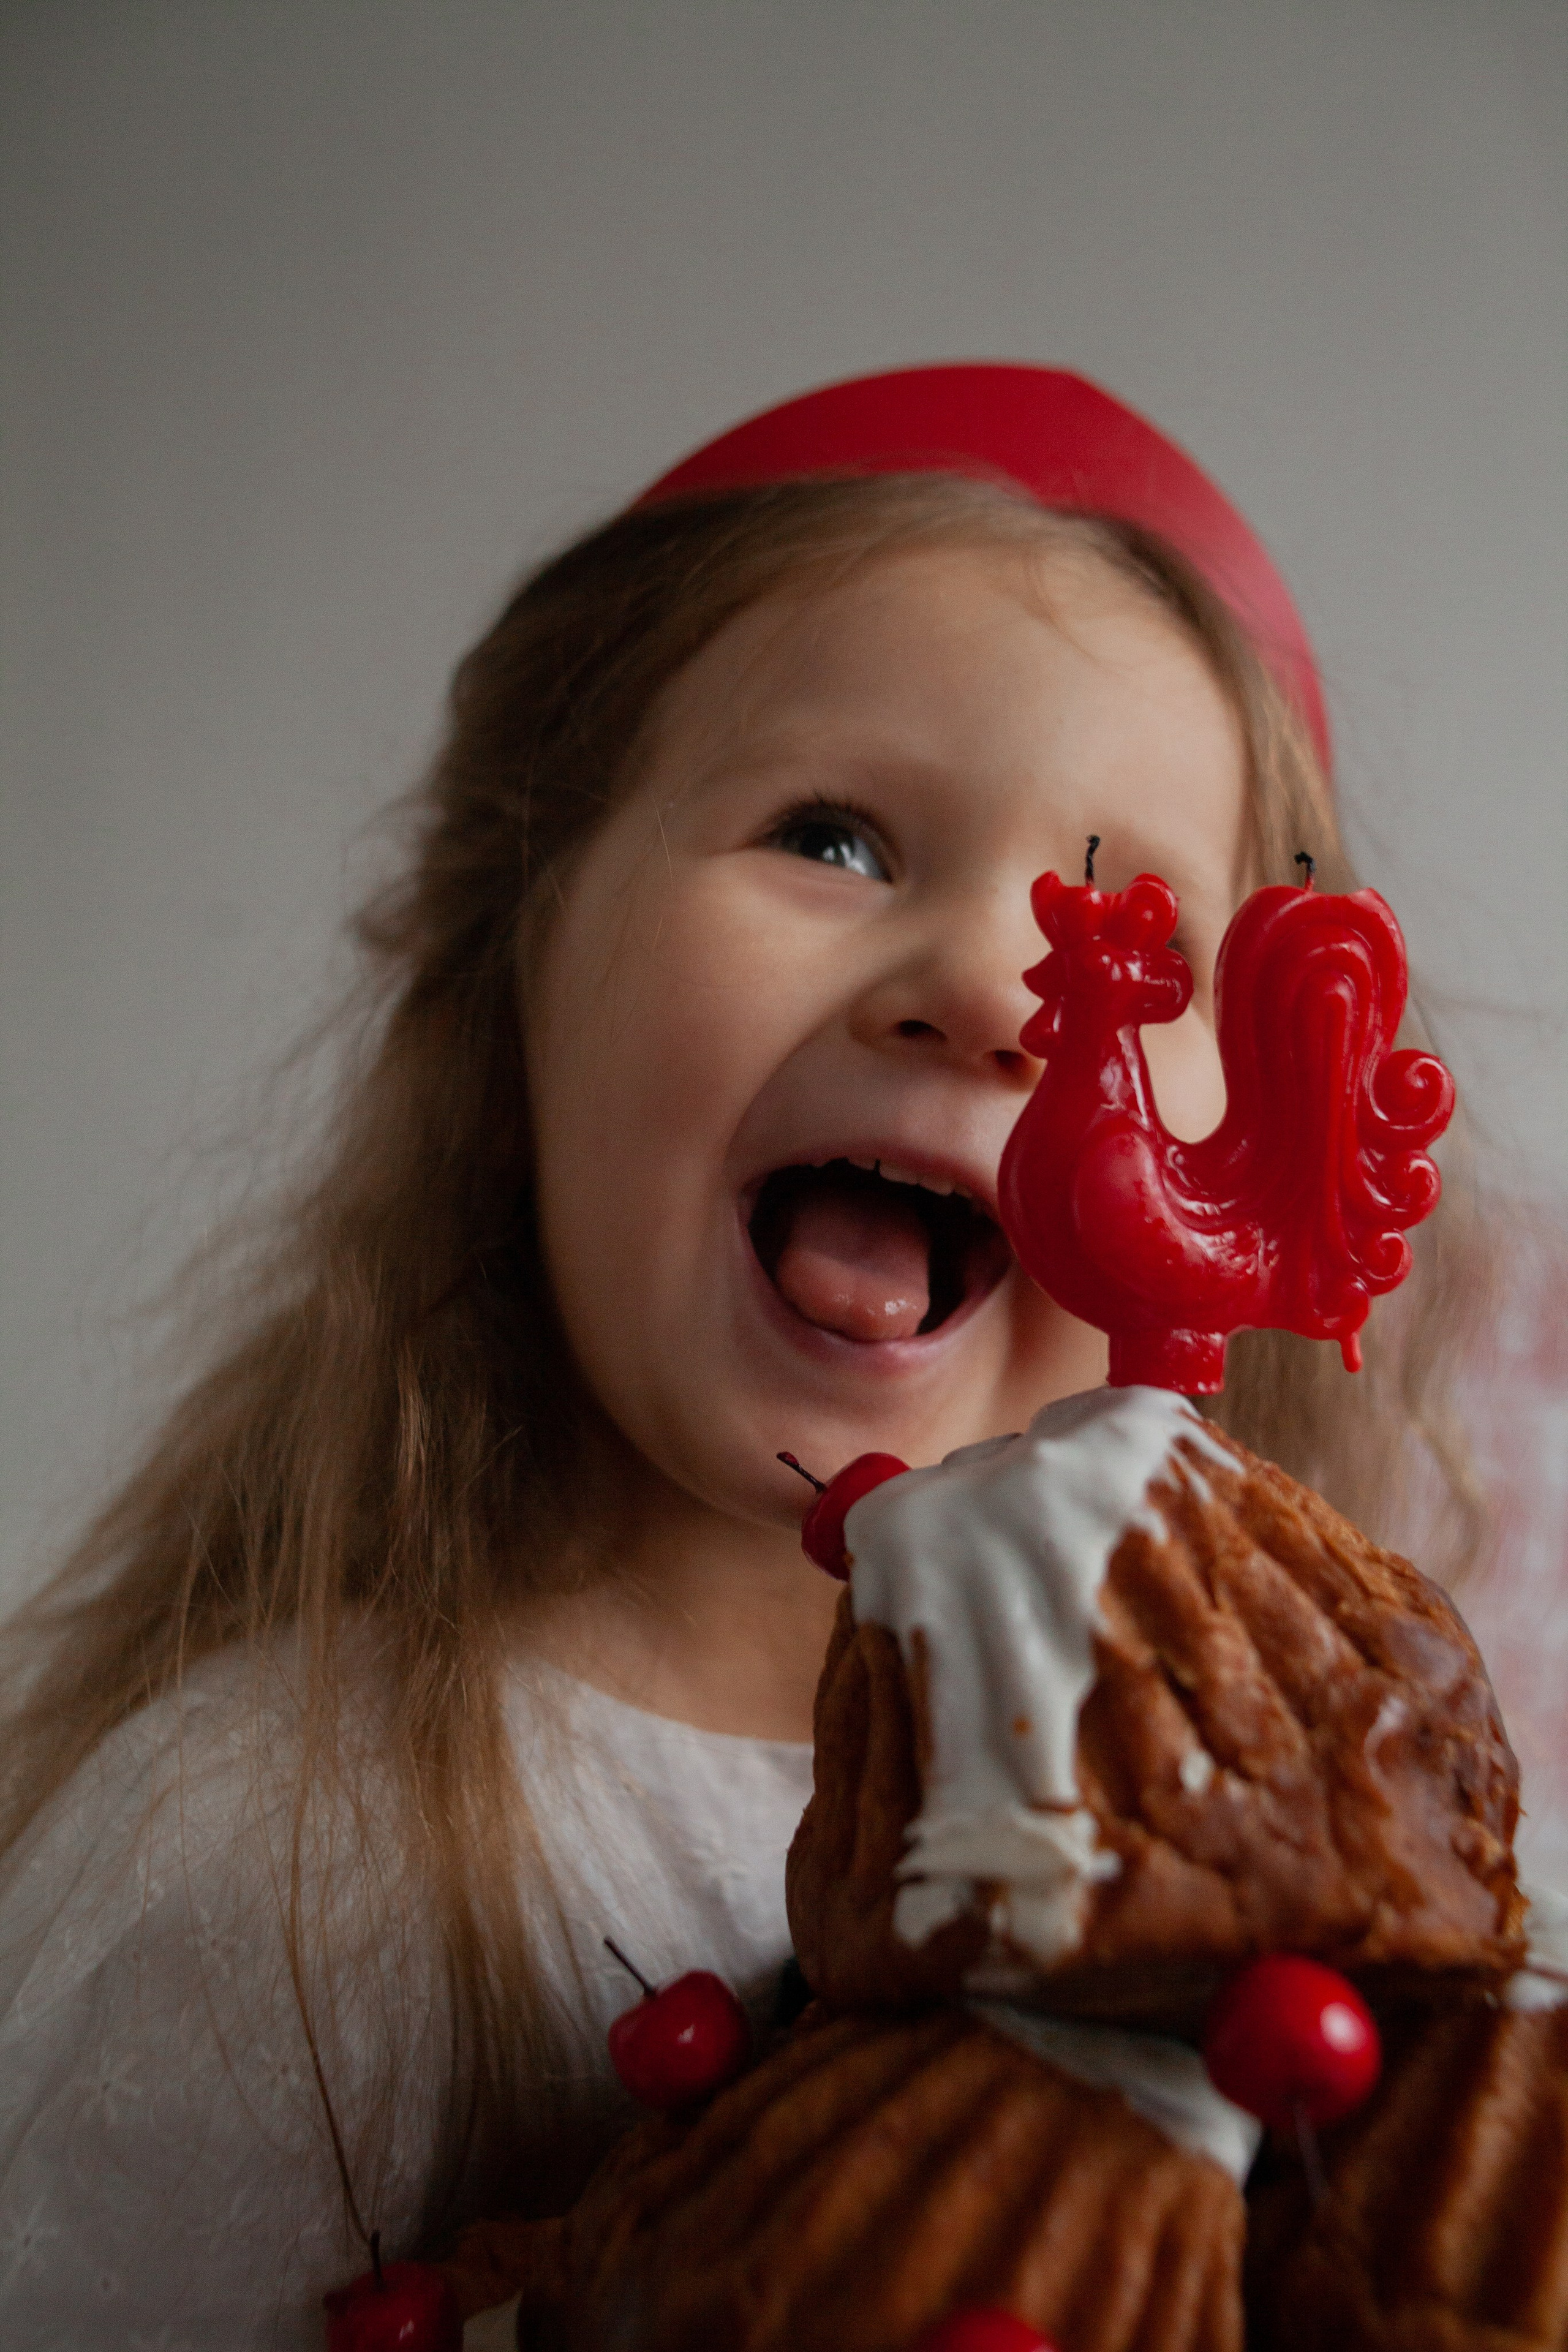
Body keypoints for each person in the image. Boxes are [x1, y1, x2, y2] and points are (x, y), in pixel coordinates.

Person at [0, 367, 1486, 2345]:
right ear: (513, 973)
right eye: (838, 839)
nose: (990, 987)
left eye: (1137, 922)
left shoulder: (1278, 1837)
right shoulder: (278, 1865)